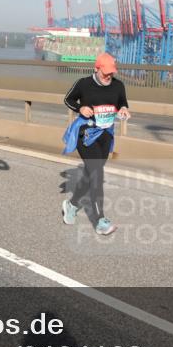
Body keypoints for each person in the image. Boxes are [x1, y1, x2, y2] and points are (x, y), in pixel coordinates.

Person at [61, 52, 130, 235]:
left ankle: (72, 204)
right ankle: (100, 221)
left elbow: (122, 104)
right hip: (86, 134)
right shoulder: (84, 83)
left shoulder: (118, 85)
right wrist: (80, 108)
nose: (109, 75)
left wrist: (124, 110)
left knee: (91, 173)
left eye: (111, 72)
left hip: (106, 135)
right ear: (96, 69)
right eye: (105, 72)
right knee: (97, 174)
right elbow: (67, 99)